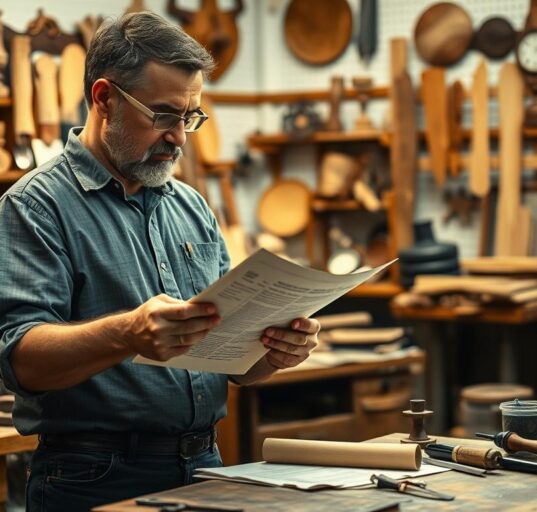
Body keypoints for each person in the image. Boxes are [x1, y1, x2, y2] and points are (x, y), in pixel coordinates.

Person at [0, 12, 319, 512]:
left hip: (206, 465)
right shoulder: (36, 206)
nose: (180, 138)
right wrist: (127, 333)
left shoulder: (188, 206)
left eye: (190, 117)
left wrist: (274, 352)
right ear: (104, 98)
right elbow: (19, 359)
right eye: (164, 115)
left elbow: (233, 367)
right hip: (93, 477)